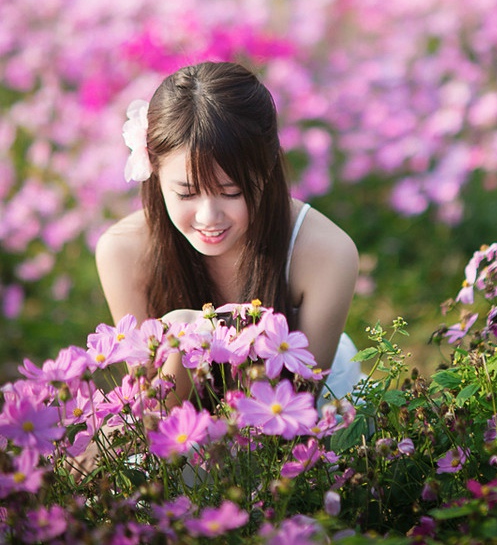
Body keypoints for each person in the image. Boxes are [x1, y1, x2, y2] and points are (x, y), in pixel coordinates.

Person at [95, 60, 362, 405]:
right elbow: (152, 411)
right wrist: (187, 339)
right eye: (187, 193)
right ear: (155, 172)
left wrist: (195, 334)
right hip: (184, 423)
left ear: (266, 170)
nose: (209, 217)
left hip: (304, 409)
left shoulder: (326, 252)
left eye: (231, 192)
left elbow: (297, 407)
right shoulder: (123, 250)